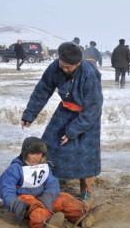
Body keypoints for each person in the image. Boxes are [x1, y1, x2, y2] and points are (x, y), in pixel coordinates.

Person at [21, 42, 103, 206]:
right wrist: (30, 114)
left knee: (84, 154)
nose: (64, 70)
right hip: (65, 110)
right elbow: (43, 89)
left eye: (69, 68)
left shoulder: (88, 73)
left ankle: (87, 191)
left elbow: (94, 106)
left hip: (87, 116)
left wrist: (73, 131)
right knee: (50, 145)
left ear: (78, 64)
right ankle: (47, 185)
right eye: (63, 65)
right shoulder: (55, 67)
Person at [0, 137, 107, 228]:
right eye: (32, 154)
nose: (36, 157)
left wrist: (48, 196)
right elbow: (6, 190)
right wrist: (16, 205)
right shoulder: (14, 169)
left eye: (38, 154)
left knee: (64, 198)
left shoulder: (44, 166)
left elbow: (53, 183)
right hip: (24, 201)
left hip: (44, 198)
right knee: (36, 208)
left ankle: (84, 215)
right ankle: (46, 225)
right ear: (25, 154)